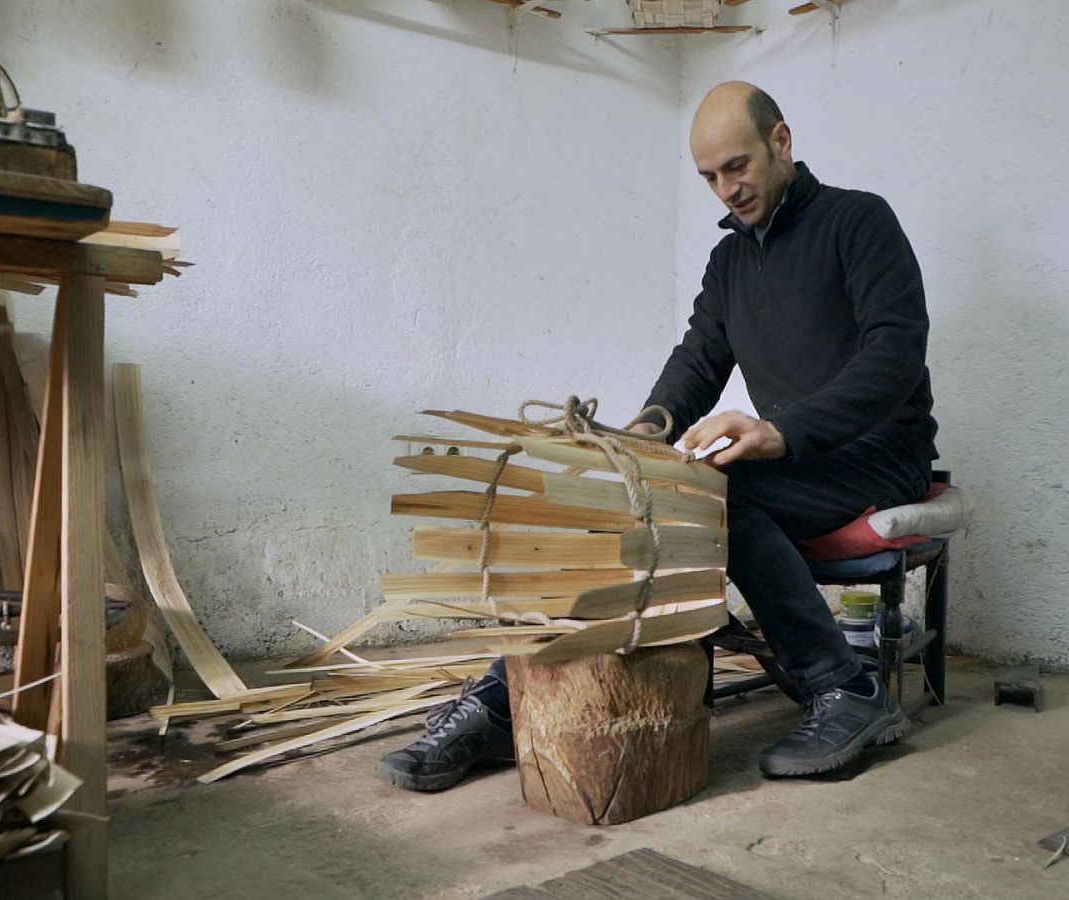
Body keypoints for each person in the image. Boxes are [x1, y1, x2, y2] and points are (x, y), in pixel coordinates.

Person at [378, 82, 937, 791]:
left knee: (719, 498)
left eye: (737, 166)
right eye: (708, 177)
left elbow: (894, 356)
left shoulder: (858, 222)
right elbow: (700, 358)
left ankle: (846, 691)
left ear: (782, 143)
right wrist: (645, 432)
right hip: (794, 458)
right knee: (635, 500)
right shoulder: (730, 260)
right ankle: (502, 699)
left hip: (877, 455)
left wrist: (780, 431)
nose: (726, 189)